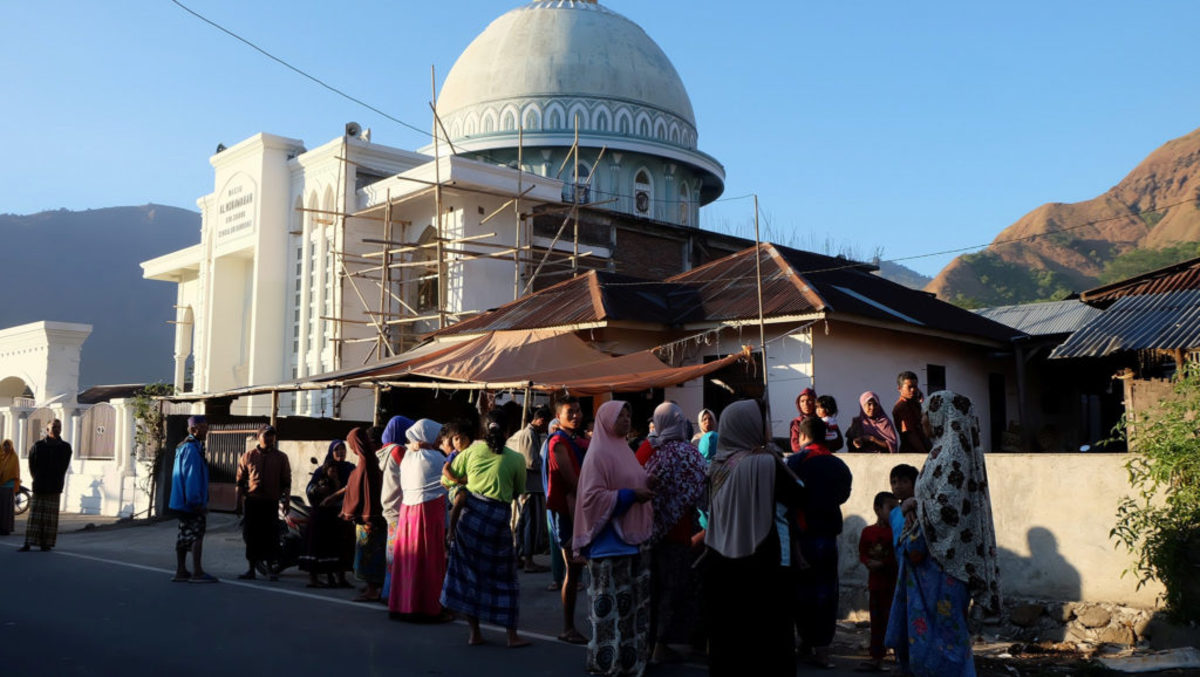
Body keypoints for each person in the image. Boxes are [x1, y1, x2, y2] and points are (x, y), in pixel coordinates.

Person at [886, 391, 1002, 677]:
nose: (922, 422)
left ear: (942, 416)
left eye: (926, 415)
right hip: (937, 563)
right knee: (938, 631)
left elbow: (947, 508)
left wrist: (915, 504)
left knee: (945, 634)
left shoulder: (951, 453)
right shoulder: (944, 450)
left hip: (945, 563)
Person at [703, 400, 805, 676]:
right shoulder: (763, 463)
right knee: (768, 642)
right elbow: (798, 492)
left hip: (720, 561)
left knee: (728, 642)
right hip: (761, 561)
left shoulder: (717, 463)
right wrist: (775, 458)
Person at [573, 400, 655, 676]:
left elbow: (631, 480)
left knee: (631, 612)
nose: (627, 419)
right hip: (608, 547)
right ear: (606, 420)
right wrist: (631, 495)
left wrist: (646, 483)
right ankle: (607, 663)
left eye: (629, 414)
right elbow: (592, 498)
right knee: (610, 614)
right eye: (621, 415)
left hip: (632, 544)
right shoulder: (598, 455)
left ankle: (630, 663)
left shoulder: (624, 450)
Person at [441, 410, 531, 648]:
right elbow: (516, 492)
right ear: (508, 431)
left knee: (470, 577)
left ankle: (474, 633)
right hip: (497, 522)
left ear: (481, 430)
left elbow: (448, 480)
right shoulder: (516, 459)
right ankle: (512, 636)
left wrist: (464, 484)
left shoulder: (469, 453)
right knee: (505, 578)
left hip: (468, 520)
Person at [635, 402, 706, 664]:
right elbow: (701, 495)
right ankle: (661, 645)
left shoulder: (646, 450)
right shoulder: (691, 454)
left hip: (643, 533)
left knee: (648, 590)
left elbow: (633, 482)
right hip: (679, 534)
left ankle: (644, 644)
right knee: (671, 591)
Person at [787, 416, 853, 669]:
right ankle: (823, 651)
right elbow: (843, 495)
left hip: (801, 537)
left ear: (802, 437)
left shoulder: (795, 462)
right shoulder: (838, 465)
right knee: (826, 594)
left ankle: (803, 642)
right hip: (828, 537)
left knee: (801, 592)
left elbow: (787, 500)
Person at [389, 418, 451, 620]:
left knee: (409, 560)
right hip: (429, 512)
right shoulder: (436, 459)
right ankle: (429, 607)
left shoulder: (407, 457)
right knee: (429, 561)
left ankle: (404, 604)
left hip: (408, 513)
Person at [546, 396, 590, 644]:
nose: (576, 415)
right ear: (558, 417)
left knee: (576, 573)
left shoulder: (573, 439)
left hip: (577, 511)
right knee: (572, 572)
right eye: (569, 412)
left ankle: (570, 626)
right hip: (567, 514)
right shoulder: (558, 443)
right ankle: (567, 628)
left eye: (578, 410)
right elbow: (573, 482)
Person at [235, 424, 291, 579]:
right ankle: (251, 569)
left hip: (271, 503)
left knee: (271, 537)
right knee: (252, 536)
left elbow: (286, 481)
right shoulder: (248, 456)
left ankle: (271, 569)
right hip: (253, 502)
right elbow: (240, 481)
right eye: (266, 435)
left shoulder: (281, 457)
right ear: (258, 437)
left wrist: (286, 500)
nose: (269, 438)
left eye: (272, 435)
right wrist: (238, 502)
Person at [301, 440, 355, 588]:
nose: (341, 453)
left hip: (342, 514)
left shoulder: (350, 469)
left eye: (343, 450)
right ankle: (315, 578)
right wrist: (319, 490)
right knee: (319, 546)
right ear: (331, 452)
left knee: (341, 546)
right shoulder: (322, 470)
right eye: (337, 450)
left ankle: (341, 577)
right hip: (323, 514)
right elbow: (310, 488)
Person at [341, 427, 387, 602]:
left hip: (370, 519)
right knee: (371, 552)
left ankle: (373, 589)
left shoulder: (368, 462)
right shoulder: (368, 462)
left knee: (369, 554)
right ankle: (373, 586)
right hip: (372, 517)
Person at [169, 416, 216, 583]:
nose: (206, 431)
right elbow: (191, 477)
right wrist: (196, 502)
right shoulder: (191, 449)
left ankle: (181, 571)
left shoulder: (186, 447)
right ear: (194, 429)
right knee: (197, 535)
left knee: (184, 534)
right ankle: (197, 571)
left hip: (182, 501)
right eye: (203, 427)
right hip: (190, 502)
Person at [858, 491, 899, 671]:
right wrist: (869, 563)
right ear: (877, 509)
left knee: (895, 621)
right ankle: (877, 658)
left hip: (893, 586)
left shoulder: (896, 531)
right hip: (875, 585)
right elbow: (862, 553)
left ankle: (900, 658)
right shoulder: (868, 532)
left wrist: (882, 563)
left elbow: (898, 556)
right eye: (890, 508)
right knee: (877, 623)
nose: (894, 512)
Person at [507, 404, 551, 573]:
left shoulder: (524, 434)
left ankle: (520, 557)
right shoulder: (528, 434)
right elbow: (531, 462)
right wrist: (547, 464)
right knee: (529, 525)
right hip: (530, 486)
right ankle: (528, 560)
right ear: (540, 421)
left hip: (526, 486)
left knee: (523, 523)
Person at [19, 419, 72, 552]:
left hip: (54, 487)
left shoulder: (65, 447)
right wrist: (37, 478)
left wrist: (56, 479)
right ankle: (28, 543)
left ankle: (46, 543)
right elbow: (32, 465)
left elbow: (63, 467)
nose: (56, 429)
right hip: (40, 485)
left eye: (58, 427)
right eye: (53, 427)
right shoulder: (38, 446)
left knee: (50, 518)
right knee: (35, 517)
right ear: (47, 429)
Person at [379, 415, 414, 600]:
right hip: (398, 508)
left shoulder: (385, 450)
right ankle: (392, 594)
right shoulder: (398, 451)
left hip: (389, 506)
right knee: (398, 557)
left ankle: (389, 592)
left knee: (392, 555)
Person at [540, 418, 567, 591]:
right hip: (551, 497)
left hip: (568, 497)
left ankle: (573, 576)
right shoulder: (547, 446)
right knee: (555, 540)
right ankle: (558, 578)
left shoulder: (567, 444)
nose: (556, 431)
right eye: (554, 428)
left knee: (569, 540)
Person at [893, 372, 930, 455]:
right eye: (909, 387)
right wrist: (924, 454)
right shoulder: (901, 407)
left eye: (915, 387)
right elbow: (910, 434)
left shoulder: (914, 403)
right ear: (899, 388)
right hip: (911, 452)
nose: (913, 390)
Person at [789, 387, 819, 453]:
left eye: (809, 400)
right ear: (798, 404)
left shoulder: (822, 420)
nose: (806, 404)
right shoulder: (796, 422)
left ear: (815, 402)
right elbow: (795, 445)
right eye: (802, 401)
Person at [0, 439, 20, 536]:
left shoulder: (14, 457)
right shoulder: (0, 456)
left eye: (8, 445)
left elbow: (15, 471)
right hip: (0, 486)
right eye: (4, 445)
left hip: (8, 486)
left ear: (11, 446)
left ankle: (6, 528)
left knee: (7, 509)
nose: (6, 447)